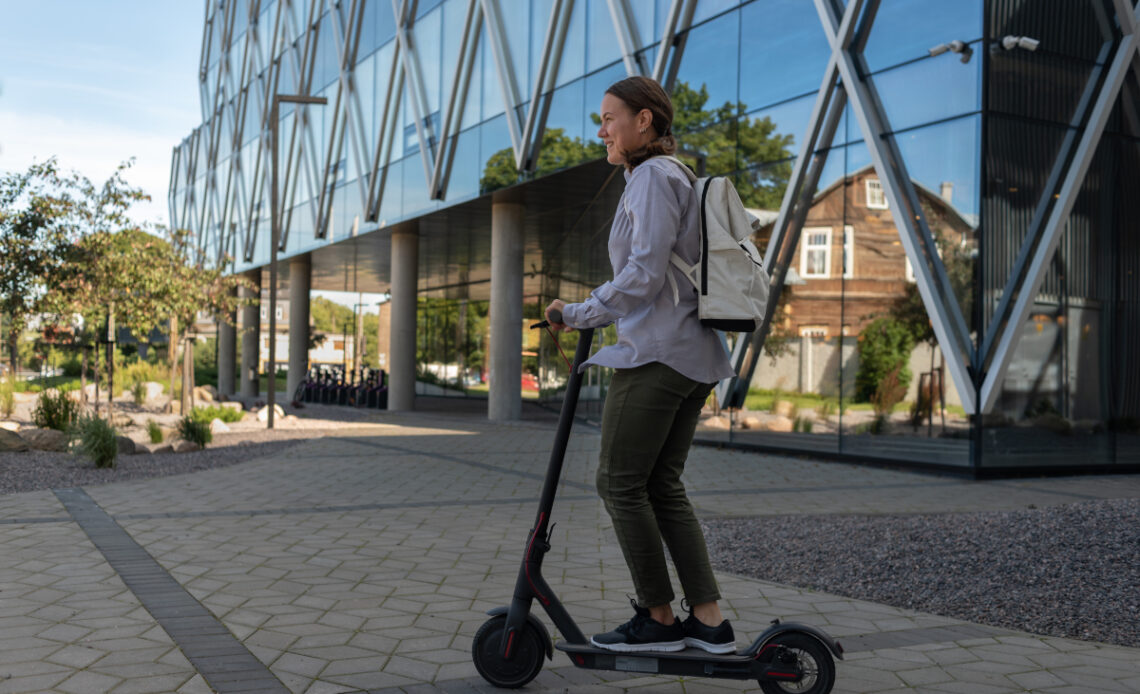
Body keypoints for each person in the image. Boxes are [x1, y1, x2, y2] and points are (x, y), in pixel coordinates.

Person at [545, 75, 737, 655]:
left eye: (609, 118)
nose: (601, 130)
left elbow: (645, 274)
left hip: (658, 352)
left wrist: (577, 313)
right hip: (691, 355)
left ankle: (658, 617)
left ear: (644, 121)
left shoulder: (653, 177)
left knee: (618, 482)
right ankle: (708, 621)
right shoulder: (666, 177)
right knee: (661, 484)